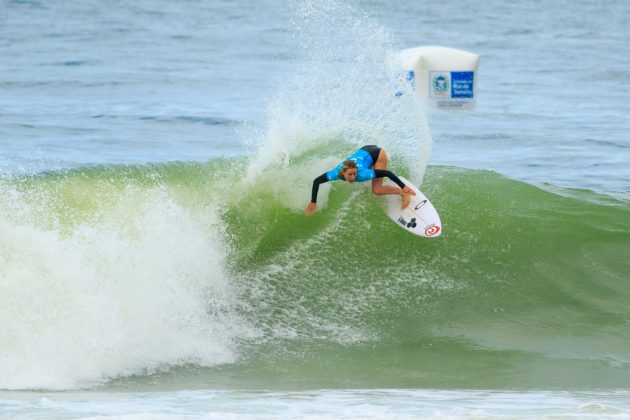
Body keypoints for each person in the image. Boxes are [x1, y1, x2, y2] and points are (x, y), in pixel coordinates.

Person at [306, 145, 416, 216]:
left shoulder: (362, 174)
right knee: (375, 174)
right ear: (343, 172)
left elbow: (388, 173)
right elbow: (316, 181)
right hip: (365, 150)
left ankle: (402, 194)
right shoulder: (335, 173)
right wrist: (313, 202)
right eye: (350, 174)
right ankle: (375, 169)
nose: (353, 177)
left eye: (354, 173)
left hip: (378, 155)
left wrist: (404, 187)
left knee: (376, 190)